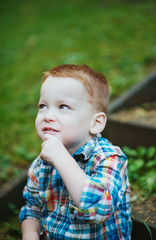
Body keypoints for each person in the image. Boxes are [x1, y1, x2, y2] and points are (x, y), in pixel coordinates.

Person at [19, 64, 132, 240]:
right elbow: (32, 208)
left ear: (95, 123)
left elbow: (99, 209)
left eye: (63, 106)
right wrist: (30, 234)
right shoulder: (41, 164)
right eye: (43, 106)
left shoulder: (109, 159)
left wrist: (62, 159)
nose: (47, 115)